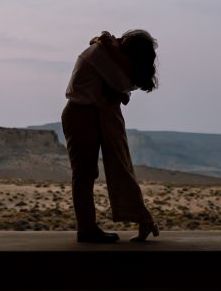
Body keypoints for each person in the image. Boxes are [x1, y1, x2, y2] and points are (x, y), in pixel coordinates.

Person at [61, 29, 160, 243]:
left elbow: (126, 84)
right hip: (81, 113)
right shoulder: (101, 53)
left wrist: (111, 49)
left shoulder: (107, 52)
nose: (117, 40)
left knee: (109, 168)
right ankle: (86, 229)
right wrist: (110, 49)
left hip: (93, 114)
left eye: (122, 41)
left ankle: (135, 219)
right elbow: (124, 84)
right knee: (85, 174)